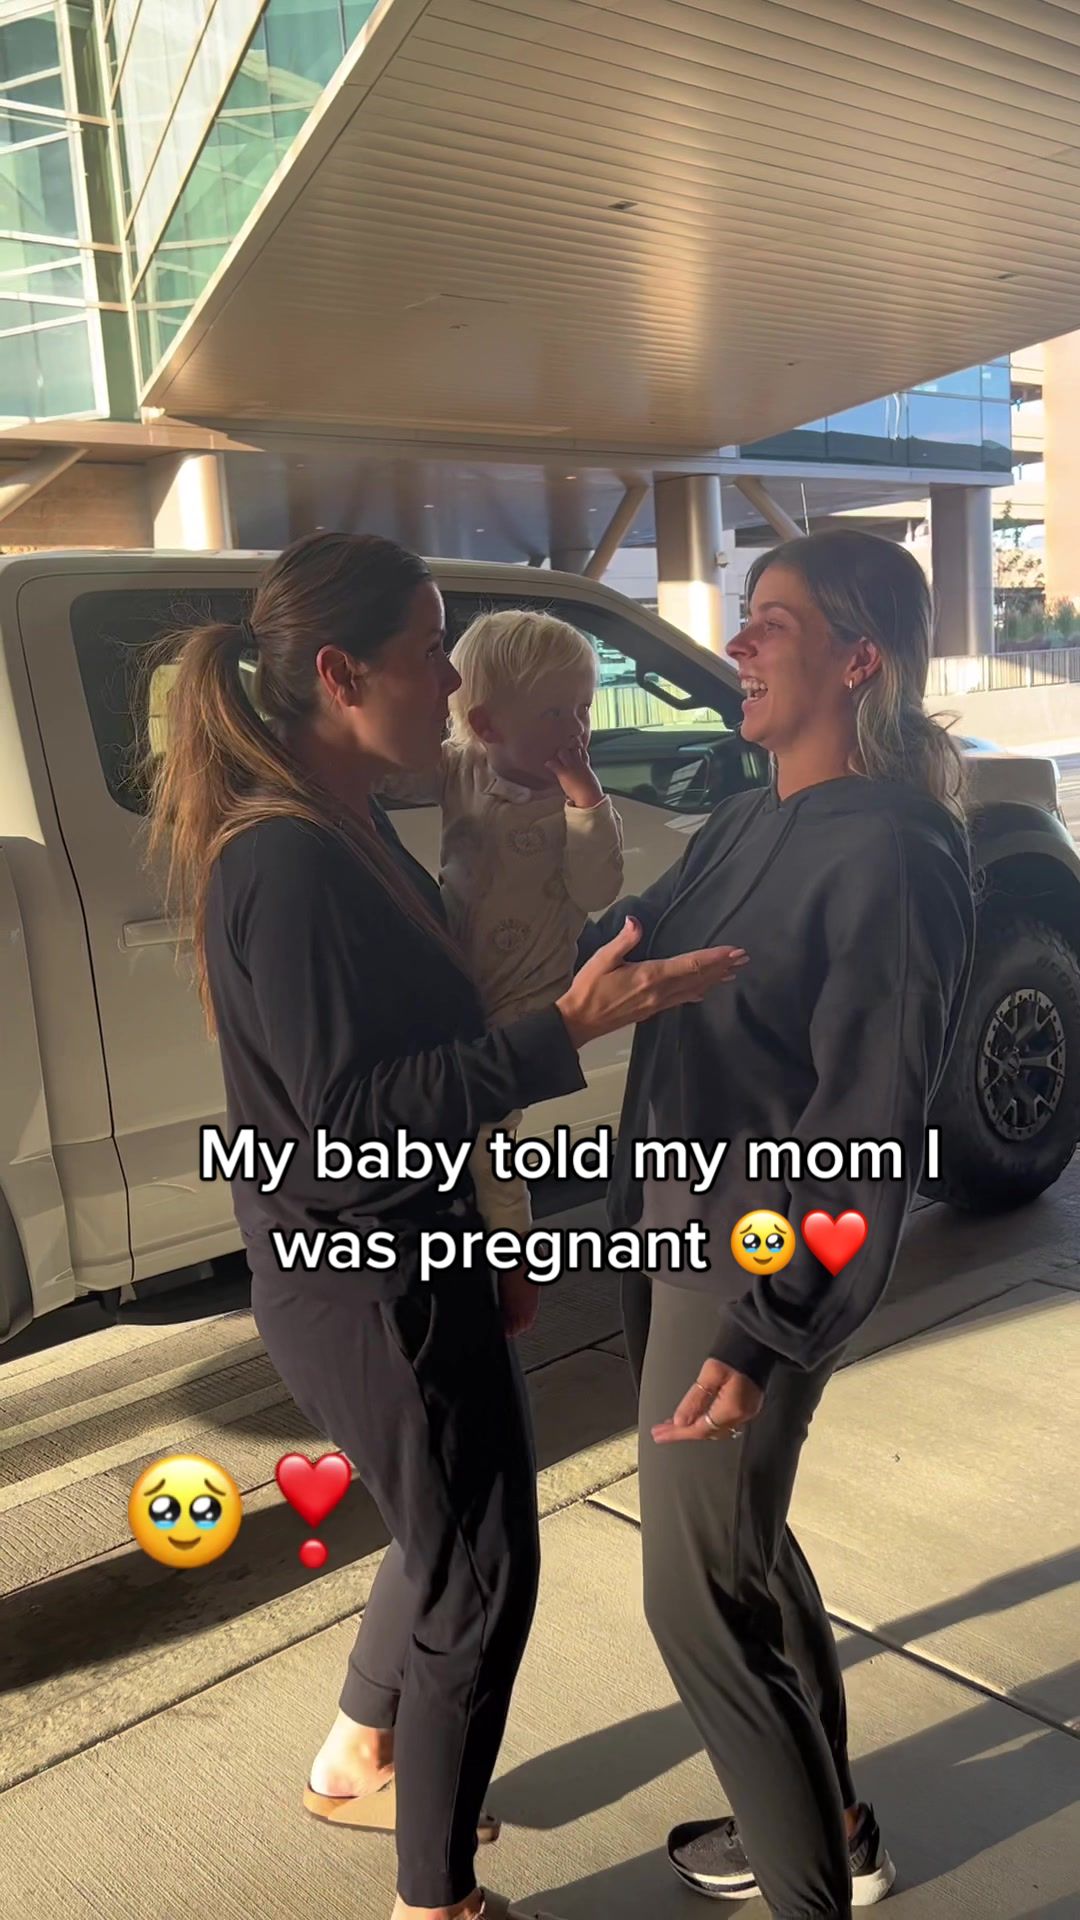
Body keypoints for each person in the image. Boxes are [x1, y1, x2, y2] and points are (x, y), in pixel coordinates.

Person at [145, 530, 748, 1920]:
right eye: (429, 650)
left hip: (412, 1250)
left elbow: (419, 1053)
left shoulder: (350, 829)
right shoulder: (288, 863)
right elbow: (350, 1122)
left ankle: (359, 1754)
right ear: (342, 675)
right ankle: (437, 1901)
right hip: (372, 1282)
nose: (454, 679)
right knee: (483, 1569)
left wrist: (493, 1223)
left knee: (442, 1537)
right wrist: (564, 1032)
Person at [582, 529, 976, 1918]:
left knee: (693, 1601)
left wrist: (764, 1332)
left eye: (774, 622)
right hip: (672, 1232)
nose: (737, 644)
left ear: (860, 660)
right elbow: (628, 944)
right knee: (742, 1555)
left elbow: (868, 1120)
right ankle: (836, 1826)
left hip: (745, 1265)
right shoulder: (750, 823)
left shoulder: (897, 853)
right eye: (744, 617)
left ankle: (819, 1884)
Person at [381, 607, 624, 1336]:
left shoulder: (574, 805)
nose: (575, 729)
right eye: (554, 712)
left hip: (526, 993)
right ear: (486, 726)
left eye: (583, 708)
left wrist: (587, 801)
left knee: (490, 1134)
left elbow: (598, 888)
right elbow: (391, 779)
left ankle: (512, 1260)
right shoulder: (462, 766)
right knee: (446, 1121)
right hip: (456, 975)